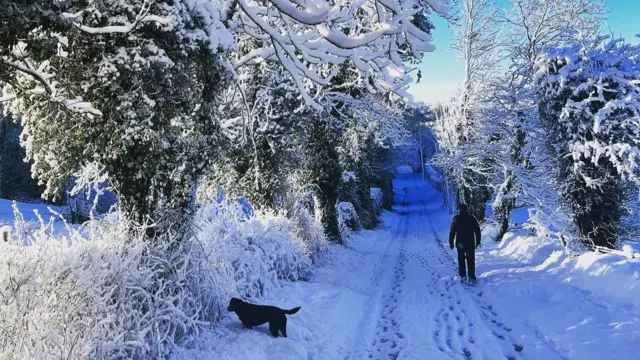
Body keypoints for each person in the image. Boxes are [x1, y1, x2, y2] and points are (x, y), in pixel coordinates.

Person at [449, 203, 481, 283]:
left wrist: (451, 242)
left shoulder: (456, 219)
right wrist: (478, 241)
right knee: (470, 260)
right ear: (467, 209)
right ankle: (471, 277)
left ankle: (462, 275)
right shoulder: (471, 218)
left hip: (460, 243)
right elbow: (477, 230)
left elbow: (452, 231)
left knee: (461, 259)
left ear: (459, 210)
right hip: (470, 243)